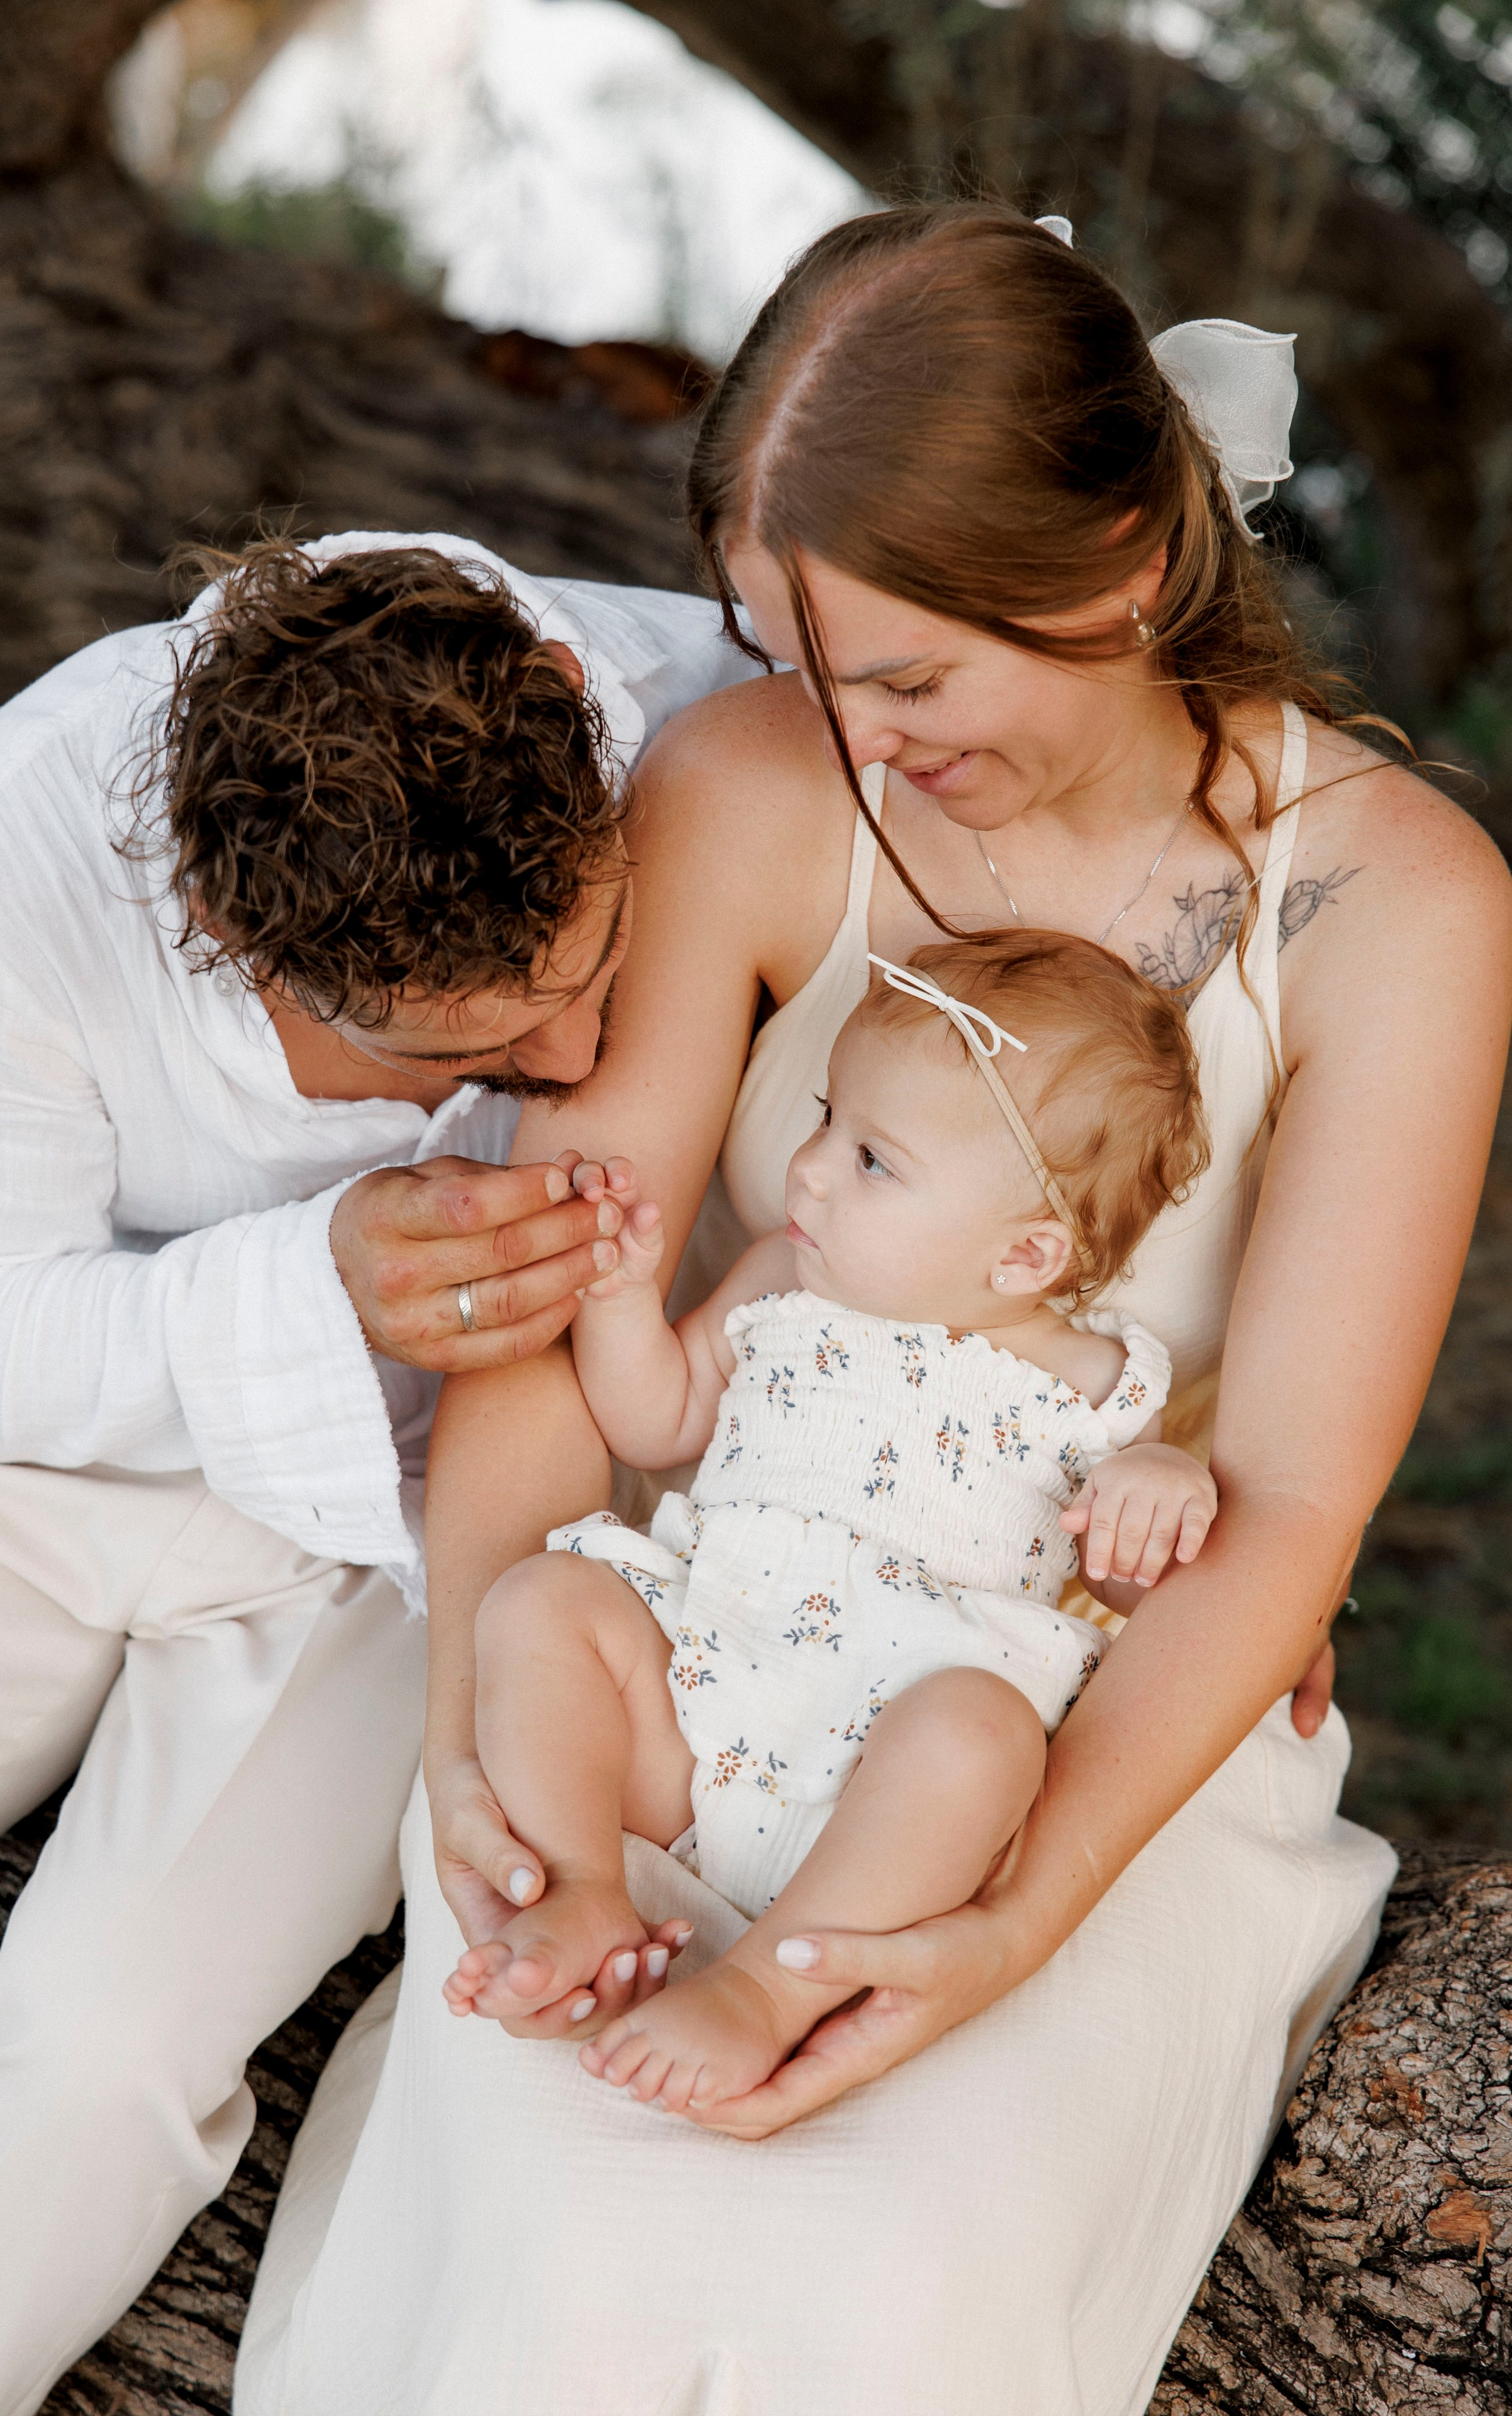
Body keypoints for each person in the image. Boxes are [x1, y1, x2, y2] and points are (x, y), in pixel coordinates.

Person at [236, 206, 1511, 2416]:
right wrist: (473, 1721)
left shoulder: (1398, 905)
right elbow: (558, 1312)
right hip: (693, 1656)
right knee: (564, 2245)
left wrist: (1005, 1923)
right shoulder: (741, 793)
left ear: (1122, 565)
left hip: (1081, 1725)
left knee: (902, 2292)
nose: (852, 734)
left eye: (914, 677)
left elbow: (1291, 1506)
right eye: (783, 650)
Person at [0, 529, 756, 2416]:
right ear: (228, 934)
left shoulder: (714, 723)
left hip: (409, 1550)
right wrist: (304, 1285)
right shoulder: (4, 871)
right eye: (464, 1048)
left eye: (593, 963)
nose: (582, 1052)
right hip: (34, 1470)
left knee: (106, 2052)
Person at [446, 931, 1220, 2115]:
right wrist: (615, 1295)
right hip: (701, 1699)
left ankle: (767, 1986)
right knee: (542, 1602)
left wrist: (1163, 1485)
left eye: (870, 1159)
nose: (805, 1169)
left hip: (882, 1785)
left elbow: (1125, 1587)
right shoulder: (780, 1282)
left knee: (983, 1735)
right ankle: (583, 1881)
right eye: (824, 1118)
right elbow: (655, 1416)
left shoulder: (1094, 1386)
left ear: (1025, 1253)